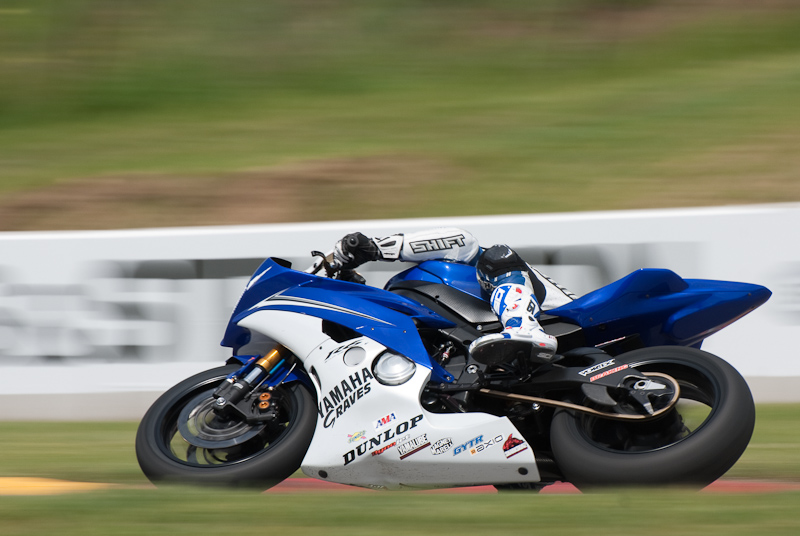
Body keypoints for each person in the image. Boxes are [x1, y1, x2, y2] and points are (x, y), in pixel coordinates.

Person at [333, 227, 571, 366]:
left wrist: (374, 248)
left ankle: (525, 327)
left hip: (565, 314)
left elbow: (462, 241)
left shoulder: (469, 257)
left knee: (497, 256)